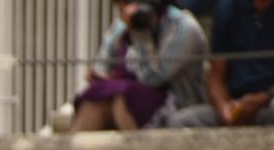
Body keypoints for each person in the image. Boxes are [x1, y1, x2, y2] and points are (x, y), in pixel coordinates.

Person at [169, 0, 274, 127]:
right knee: (182, 121)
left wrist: (264, 98)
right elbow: (216, 74)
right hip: (239, 103)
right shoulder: (228, 5)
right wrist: (224, 106)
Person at [72, 0, 208, 131]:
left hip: (174, 105)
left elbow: (153, 78)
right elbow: (101, 64)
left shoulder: (183, 27)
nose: (125, 10)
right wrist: (102, 77)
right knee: (94, 98)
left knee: (121, 97)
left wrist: (140, 35)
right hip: (130, 98)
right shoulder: (125, 24)